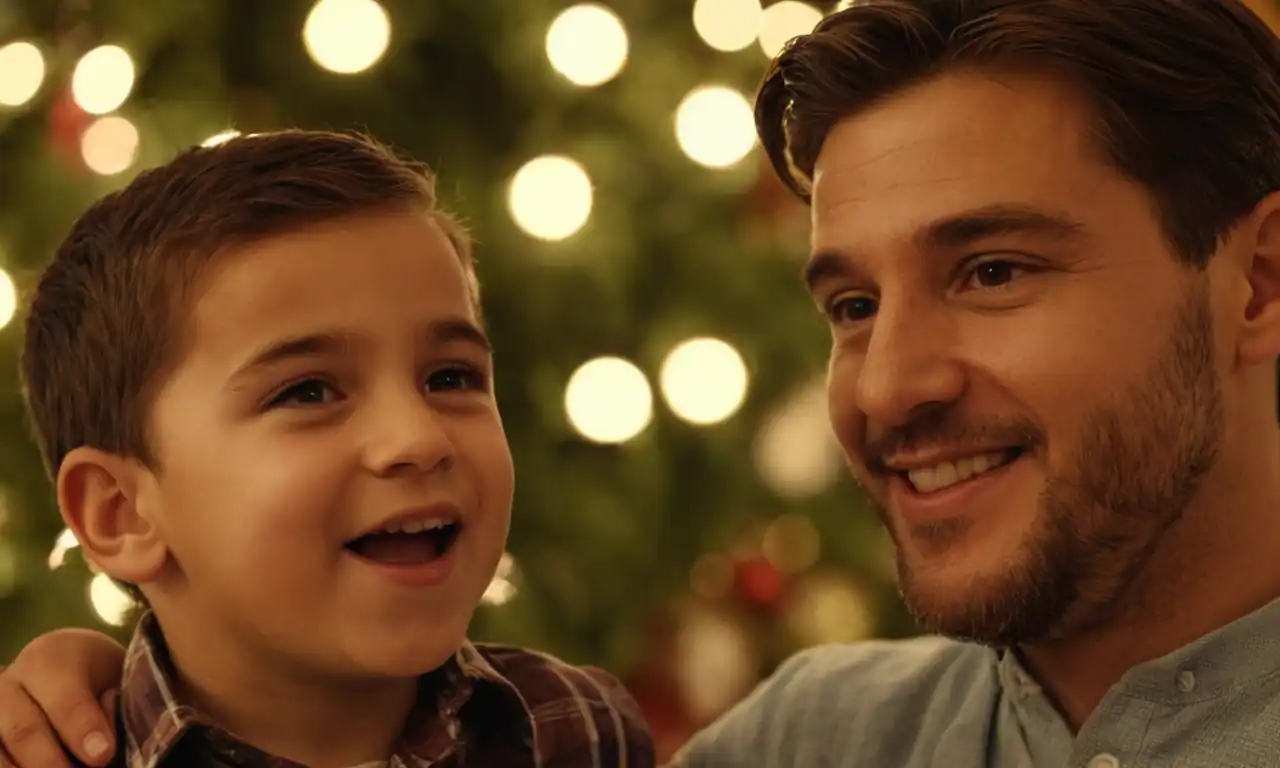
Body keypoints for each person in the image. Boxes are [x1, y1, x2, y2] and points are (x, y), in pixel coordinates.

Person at [7, 0, 1280, 764]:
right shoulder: (810, 744)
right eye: (849, 306)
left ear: (1258, 283)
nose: (888, 384)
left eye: (994, 270)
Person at [0, 130, 653, 767]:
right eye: (308, 392)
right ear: (122, 513)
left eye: (450, 377)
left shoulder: (581, 731)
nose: (420, 438)